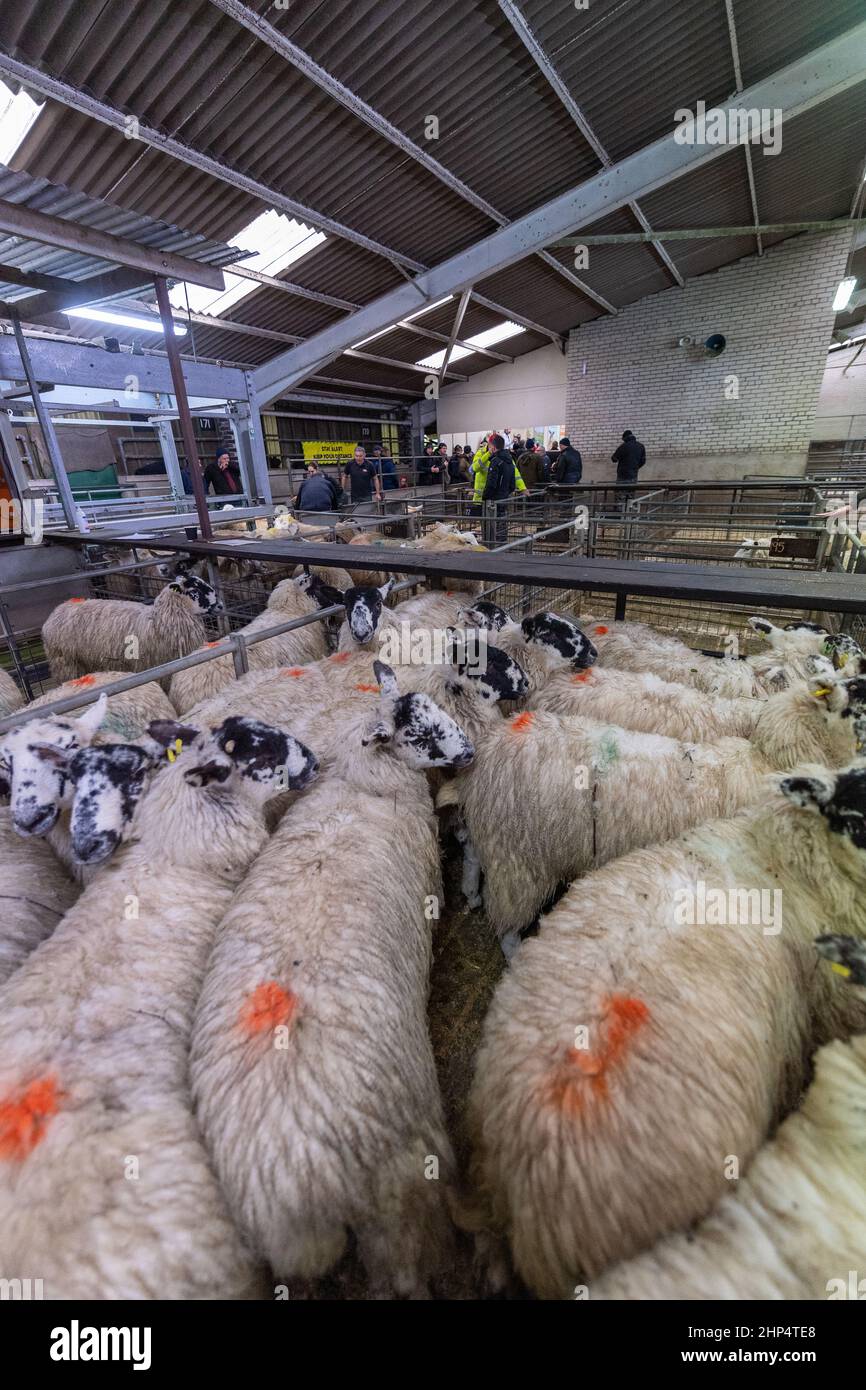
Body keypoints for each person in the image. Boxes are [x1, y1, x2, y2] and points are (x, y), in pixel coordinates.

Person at [482, 433, 518, 544]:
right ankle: (502, 545)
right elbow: (513, 484)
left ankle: (492, 546)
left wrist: (485, 497)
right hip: (504, 498)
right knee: (502, 522)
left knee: (492, 525)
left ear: (493, 446)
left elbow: (491, 484)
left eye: (489, 445)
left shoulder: (495, 461)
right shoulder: (510, 461)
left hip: (493, 500)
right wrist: (505, 493)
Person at [611, 429, 646, 513]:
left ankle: (619, 515)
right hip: (633, 476)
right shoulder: (641, 446)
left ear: (625, 438)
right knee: (630, 496)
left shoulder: (623, 446)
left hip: (622, 476)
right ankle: (629, 515)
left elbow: (614, 458)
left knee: (620, 496)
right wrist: (635, 468)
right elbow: (643, 461)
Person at [340, 445, 382, 513]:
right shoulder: (350, 464)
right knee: (356, 513)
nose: (358, 458)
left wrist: (377, 493)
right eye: (356, 456)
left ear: (364, 455)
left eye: (360, 456)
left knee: (367, 513)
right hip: (354, 495)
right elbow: (344, 476)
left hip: (367, 495)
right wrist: (342, 490)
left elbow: (375, 478)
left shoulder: (369, 464)